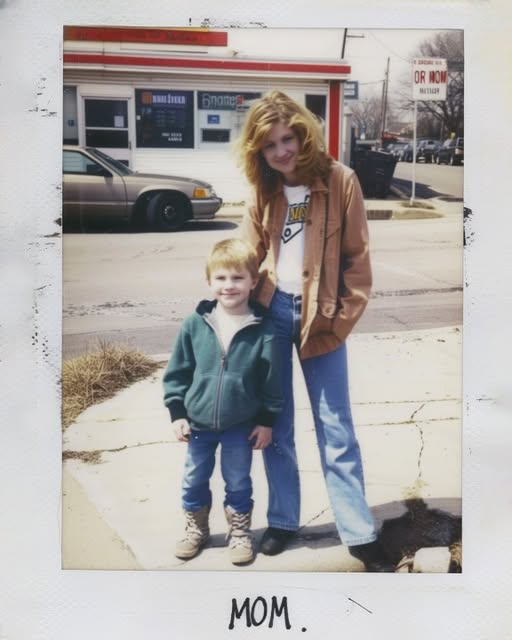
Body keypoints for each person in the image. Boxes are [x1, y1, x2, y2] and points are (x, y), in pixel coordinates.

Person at [236, 90, 392, 571]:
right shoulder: (264, 189)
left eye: (288, 138)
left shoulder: (340, 180)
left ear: (303, 134)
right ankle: (283, 521)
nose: (281, 151)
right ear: (257, 151)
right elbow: (247, 251)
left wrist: (339, 321)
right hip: (271, 315)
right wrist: (230, 300)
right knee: (276, 426)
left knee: (335, 426)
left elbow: (357, 262)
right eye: (270, 145)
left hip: (321, 316)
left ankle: (359, 532)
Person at [162, 238, 283, 565]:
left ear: (253, 282)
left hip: (240, 425)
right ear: (209, 281)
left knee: (239, 479)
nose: (229, 286)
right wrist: (177, 412)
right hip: (198, 424)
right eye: (221, 278)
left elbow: (274, 381)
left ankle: (240, 532)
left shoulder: (263, 330)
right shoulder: (194, 325)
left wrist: (267, 420)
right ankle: (196, 529)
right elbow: (178, 372)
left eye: (238, 278)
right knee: (193, 478)